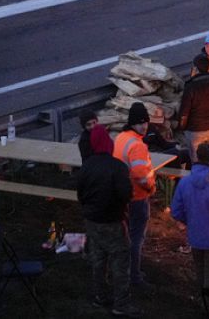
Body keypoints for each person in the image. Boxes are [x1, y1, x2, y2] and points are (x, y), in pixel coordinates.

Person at [77, 125, 140, 318]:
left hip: (92, 221)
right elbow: (126, 194)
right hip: (113, 222)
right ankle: (121, 304)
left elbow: (80, 194)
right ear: (108, 143)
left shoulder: (86, 166)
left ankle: (100, 296)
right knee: (120, 262)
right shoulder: (118, 167)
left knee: (98, 260)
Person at [170, 141, 209, 290]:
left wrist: (190, 222)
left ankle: (201, 302)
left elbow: (176, 211)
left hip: (195, 238)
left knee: (200, 272)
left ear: (196, 157)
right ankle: (208, 308)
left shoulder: (184, 183)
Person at [114, 103, 156, 289]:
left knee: (124, 236)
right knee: (136, 238)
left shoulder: (121, 138)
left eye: (146, 122)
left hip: (121, 196)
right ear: (132, 123)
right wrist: (150, 188)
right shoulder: (138, 146)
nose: (144, 126)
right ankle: (134, 276)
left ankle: (122, 270)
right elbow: (140, 174)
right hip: (137, 197)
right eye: (140, 123)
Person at [178, 54, 209, 168]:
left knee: (197, 161)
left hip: (196, 130)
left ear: (195, 68)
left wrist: (183, 127)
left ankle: (199, 184)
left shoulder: (191, 86)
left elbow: (184, 113)